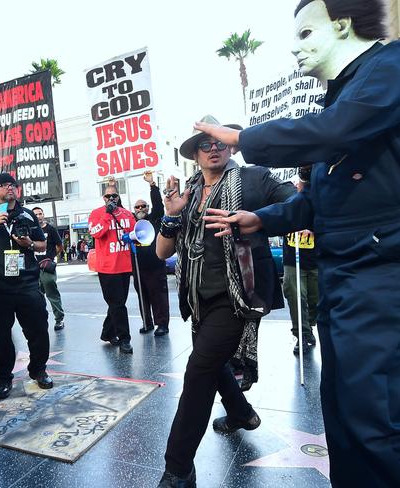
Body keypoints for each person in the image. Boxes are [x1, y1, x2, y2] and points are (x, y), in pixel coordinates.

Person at [197, 1, 399, 485]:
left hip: (380, 274)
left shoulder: (389, 67)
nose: (295, 46)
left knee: (374, 418)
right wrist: (258, 220)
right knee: (344, 408)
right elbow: (320, 203)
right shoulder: (344, 97)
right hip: (345, 277)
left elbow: (332, 132)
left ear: (344, 25)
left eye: (307, 33)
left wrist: (243, 137)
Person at [155, 116, 295, 487]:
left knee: (199, 370)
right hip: (198, 298)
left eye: (219, 142)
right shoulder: (187, 191)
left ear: (230, 146)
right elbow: (161, 251)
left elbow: (295, 203)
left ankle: (178, 467)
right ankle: (241, 413)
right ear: (195, 154)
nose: (213, 148)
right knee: (211, 360)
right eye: (205, 144)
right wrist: (171, 216)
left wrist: (257, 219)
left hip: (239, 296)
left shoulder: (254, 178)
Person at [0, 173, 53, 400]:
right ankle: (3, 380)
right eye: (4, 186)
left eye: (13, 185)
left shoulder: (27, 215)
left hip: (27, 285)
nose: (10, 189)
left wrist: (29, 244)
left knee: (38, 330)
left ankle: (38, 370)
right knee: (0, 337)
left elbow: (42, 244)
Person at [88, 183, 136, 354]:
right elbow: (95, 233)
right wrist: (107, 216)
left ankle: (107, 333)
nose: (111, 199)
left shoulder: (128, 214)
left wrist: (133, 237)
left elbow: (134, 234)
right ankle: (125, 339)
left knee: (117, 303)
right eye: (108, 197)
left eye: (114, 196)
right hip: (107, 268)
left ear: (118, 196)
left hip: (124, 265)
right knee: (117, 304)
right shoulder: (96, 214)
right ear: (103, 198)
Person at [282, 169, 319, 355]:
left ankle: (309, 327)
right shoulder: (288, 202)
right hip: (292, 261)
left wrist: (313, 230)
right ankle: (302, 335)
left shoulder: (317, 201)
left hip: (315, 261)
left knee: (315, 300)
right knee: (296, 298)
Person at [132, 170, 170, 336]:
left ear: (147, 208)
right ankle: (147, 322)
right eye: (137, 207)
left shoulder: (154, 217)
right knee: (143, 297)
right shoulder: (131, 221)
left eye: (143, 206)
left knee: (159, 296)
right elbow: (117, 210)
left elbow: (158, 205)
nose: (140, 208)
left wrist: (152, 184)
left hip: (155, 265)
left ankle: (162, 324)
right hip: (139, 268)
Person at [33, 207, 66, 331]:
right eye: (35, 214)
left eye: (40, 214)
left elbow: (59, 246)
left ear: (43, 215)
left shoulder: (50, 229)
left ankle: (59, 319)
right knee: (36, 296)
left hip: (47, 267)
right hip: (34, 268)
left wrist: (50, 258)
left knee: (52, 293)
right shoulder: (31, 229)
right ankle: (40, 319)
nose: (38, 216)